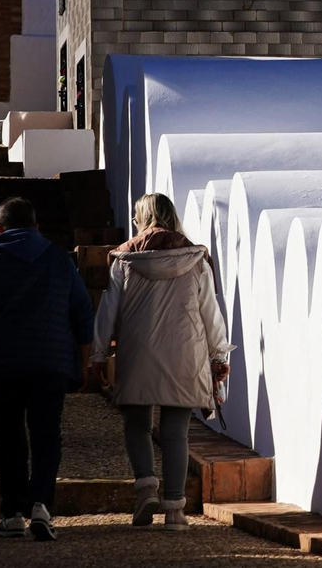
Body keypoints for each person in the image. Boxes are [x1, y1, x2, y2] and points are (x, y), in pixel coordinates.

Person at [0, 197, 93, 542]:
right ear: (36, 226)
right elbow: (82, 313)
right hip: (51, 362)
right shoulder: (61, 260)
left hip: (1, 364)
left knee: (9, 437)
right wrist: (84, 361)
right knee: (47, 435)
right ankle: (42, 506)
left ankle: (13, 512)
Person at [90, 193, 229, 530]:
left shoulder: (124, 260)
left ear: (141, 218)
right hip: (185, 353)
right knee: (176, 432)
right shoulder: (195, 259)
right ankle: (175, 511)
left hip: (136, 351)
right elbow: (210, 312)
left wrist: (98, 353)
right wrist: (219, 354)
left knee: (136, 425)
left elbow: (108, 310)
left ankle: (146, 488)